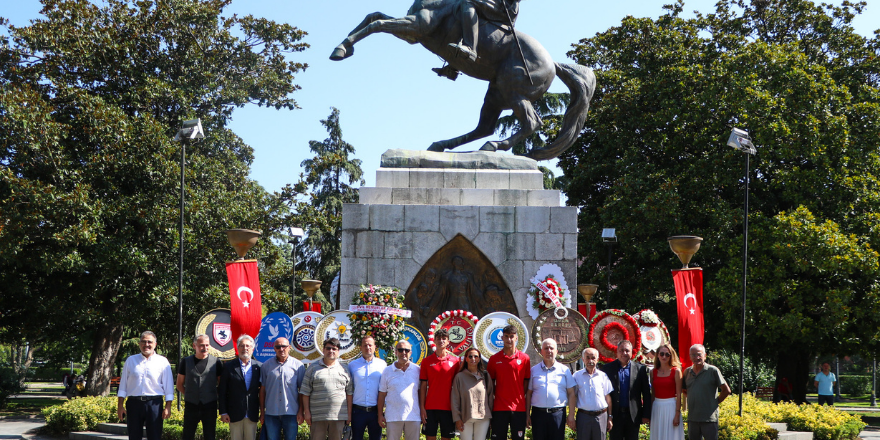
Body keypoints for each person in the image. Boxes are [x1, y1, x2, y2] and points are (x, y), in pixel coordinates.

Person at [117, 331, 174, 440]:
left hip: (154, 404)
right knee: (134, 436)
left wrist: (168, 407)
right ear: (139, 344)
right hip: (134, 404)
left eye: (149, 342)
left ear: (155, 344)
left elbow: (169, 387)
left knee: (154, 436)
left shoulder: (163, 362)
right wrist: (120, 406)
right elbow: (123, 385)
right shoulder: (130, 360)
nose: (146, 345)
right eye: (143, 342)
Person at [301, 338, 353, 440]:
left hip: (338, 416)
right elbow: (305, 392)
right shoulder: (312, 368)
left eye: (334, 349)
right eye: (328, 348)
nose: (331, 351)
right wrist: (306, 412)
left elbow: (349, 393)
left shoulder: (345, 369)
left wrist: (349, 415)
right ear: (323, 350)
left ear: (338, 351)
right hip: (317, 416)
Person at [600, 340, 651, 440]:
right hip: (615, 415)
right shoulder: (607, 369)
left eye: (627, 351)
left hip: (633, 416)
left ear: (632, 352)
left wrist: (646, 414)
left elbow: (646, 394)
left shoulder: (640, 369)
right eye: (621, 350)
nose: (624, 353)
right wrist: (606, 415)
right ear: (617, 352)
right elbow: (603, 393)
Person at [525, 339, 576, 440]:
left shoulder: (564, 370)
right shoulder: (534, 370)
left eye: (551, 348)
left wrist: (571, 415)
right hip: (538, 415)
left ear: (556, 351)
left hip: (557, 414)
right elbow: (529, 393)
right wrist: (527, 415)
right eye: (546, 348)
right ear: (541, 351)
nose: (549, 351)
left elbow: (571, 393)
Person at [487, 325, 530, 440]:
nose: (509, 339)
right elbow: (491, 382)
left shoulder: (525, 358)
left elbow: (526, 380)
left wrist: (519, 394)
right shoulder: (494, 359)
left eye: (512, 336)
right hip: (499, 408)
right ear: (502, 338)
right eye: (506, 336)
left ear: (516, 338)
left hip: (518, 408)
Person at [177, 334, 224, 440]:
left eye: (207, 345)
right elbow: (179, 384)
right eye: (202, 345)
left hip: (210, 405)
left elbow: (222, 385)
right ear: (194, 346)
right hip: (191, 405)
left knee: (210, 435)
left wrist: (212, 394)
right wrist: (190, 394)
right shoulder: (186, 361)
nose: (205, 348)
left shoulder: (216, 362)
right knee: (187, 435)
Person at [260, 337, 306, 440]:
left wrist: (301, 411)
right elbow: (262, 391)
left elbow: (302, 391)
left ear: (289, 347)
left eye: (284, 346)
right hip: (271, 413)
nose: (281, 349)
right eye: (278, 347)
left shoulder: (299, 366)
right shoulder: (266, 366)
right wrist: (262, 412)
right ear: (274, 348)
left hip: (291, 412)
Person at [681, 344, 731, 440]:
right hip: (693, 418)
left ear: (705, 355)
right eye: (693, 355)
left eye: (699, 354)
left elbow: (726, 390)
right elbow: (684, 390)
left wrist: (715, 402)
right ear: (690, 356)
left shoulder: (712, 371)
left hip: (709, 418)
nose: (697, 357)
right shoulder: (687, 372)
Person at [419, 329, 461, 440]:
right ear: (434, 341)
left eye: (444, 339)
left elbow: (458, 387)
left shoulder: (456, 361)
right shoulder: (426, 361)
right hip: (430, 408)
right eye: (438, 338)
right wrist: (422, 408)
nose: (441, 341)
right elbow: (423, 386)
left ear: (448, 342)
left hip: (448, 407)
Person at [449, 0, 522, 63]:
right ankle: (454, 64)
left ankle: (470, 48)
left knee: (468, 2)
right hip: (495, 3)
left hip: (505, 7)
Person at [219, 334, 262, 440]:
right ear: (237, 348)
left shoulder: (259, 367)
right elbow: (222, 391)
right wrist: (223, 412)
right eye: (242, 346)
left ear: (252, 349)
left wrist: (263, 411)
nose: (245, 348)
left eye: (248, 346)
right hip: (234, 413)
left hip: (252, 413)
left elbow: (262, 391)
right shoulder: (228, 366)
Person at [379, 340, 422, 440]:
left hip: (413, 416)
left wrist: (422, 411)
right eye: (400, 350)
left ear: (410, 353)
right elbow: (382, 394)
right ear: (395, 352)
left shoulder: (417, 370)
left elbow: (421, 392)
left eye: (406, 350)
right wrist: (380, 414)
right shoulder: (387, 370)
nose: (403, 352)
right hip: (393, 416)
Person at [451, 347, 494, 440]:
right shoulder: (459, 377)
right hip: (465, 418)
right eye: (470, 356)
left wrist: (491, 417)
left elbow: (490, 396)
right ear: (466, 358)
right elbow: (455, 399)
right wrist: (457, 418)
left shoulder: (485, 376)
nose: (473, 359)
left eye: (476, 356)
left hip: (483, 417)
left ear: (479, 359)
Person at [349, 336, 387, 440]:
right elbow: (348, 389)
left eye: (370, 345)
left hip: (375, 411)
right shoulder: (352, 365)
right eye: (365, 345)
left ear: (375, 347)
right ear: (360, 347)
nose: (368, 347)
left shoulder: (382, 364)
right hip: (357, 411)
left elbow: (385, 388)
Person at [573, 348, 613, 440]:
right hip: (583, 416)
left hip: (601, 416)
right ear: (583, 359)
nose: (590, 361)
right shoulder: (576, 376)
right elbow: (573, 396)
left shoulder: (603, 376)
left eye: (593, 358)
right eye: (587, 358)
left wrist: (610, 417)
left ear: (597, 360)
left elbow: (608, 399)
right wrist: (571, 416)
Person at [648, 344, 683, 440]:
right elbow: (653, 394)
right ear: (658, 355)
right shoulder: (653, 372)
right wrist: (650, 414)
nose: (664, 357)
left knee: (672, 435)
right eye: (662, 354)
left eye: (667, 354)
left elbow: (679, 395)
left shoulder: (676, 371)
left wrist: (677, 414)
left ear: (671, 356)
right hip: (656, 408)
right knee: (658, 435)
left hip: (671, 407)